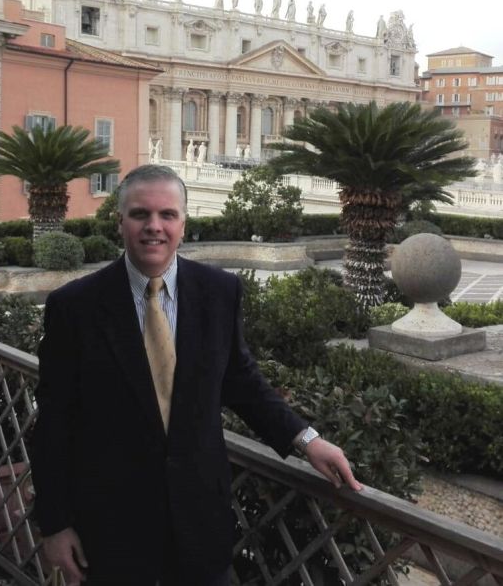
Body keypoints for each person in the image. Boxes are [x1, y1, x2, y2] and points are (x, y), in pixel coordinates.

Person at [31, 165, 362, 586]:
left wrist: (308, 441)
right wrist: (55, 524)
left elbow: (242, 383)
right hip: (110, 528)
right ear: (119, 222)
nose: (154, 227)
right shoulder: (74, 307)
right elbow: (54, 424)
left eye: (167, 215)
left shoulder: (219, 292)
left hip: (200, 524)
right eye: (140, 214)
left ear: (183, 225)